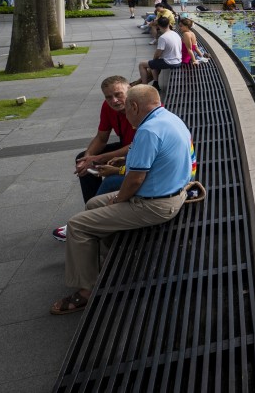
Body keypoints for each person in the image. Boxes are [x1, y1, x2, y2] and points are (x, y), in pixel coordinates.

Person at [49, 84, 194, 315]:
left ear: (134, 106)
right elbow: (146, 165)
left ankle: (87, 292)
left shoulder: (148, 131)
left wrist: (118, 200)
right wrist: (121, 170)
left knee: (77, 225)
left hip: (155, 205)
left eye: (126, 109)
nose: (124, 115)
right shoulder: (168, 118)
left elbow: (135, 181)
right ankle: (104, 262)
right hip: (173, 192)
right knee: (93, 204)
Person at [51, 76, 134, 242]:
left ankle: (87, 221)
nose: (114, 100)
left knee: (110, 181)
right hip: (131, 149)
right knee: (83, 159)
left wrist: (100, 157)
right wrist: (88, 158)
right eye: (108, 97)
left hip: (138, 152)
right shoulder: (108, 107)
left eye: (118, 94)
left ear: (130, 91)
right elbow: (102, 138)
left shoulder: (138, 107)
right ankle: (92, 216)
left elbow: (138, 145)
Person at [139, 16, 182, 88]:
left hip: (170, 62)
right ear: (169, 24)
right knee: (154, 63)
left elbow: (158, 53)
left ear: (158, 26)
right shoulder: (175, 34)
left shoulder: (163, 37)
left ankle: (145, 87)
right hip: (178, 60)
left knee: (142, 64)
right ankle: (155, 83)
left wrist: (154, 60)